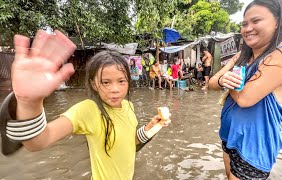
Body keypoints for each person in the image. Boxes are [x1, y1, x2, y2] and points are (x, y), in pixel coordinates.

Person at [1, 29, 171, 179]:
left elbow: (130, 143)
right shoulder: (89, 110)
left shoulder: (128, 106)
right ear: (94, 84)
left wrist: (151, 127)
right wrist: (30, 103)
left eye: (121, 81)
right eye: (106, 82)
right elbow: (38, 141)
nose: (115, 89)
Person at [208, 0, 282, 179]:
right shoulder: (242, 55)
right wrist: (222, 79)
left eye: (256, 21)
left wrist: (227, 81)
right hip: (230, 135)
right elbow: (211, 83)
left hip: (253, 146)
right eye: (244, 24)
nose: (247, 28)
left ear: (277, 22)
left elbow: (245, 99)